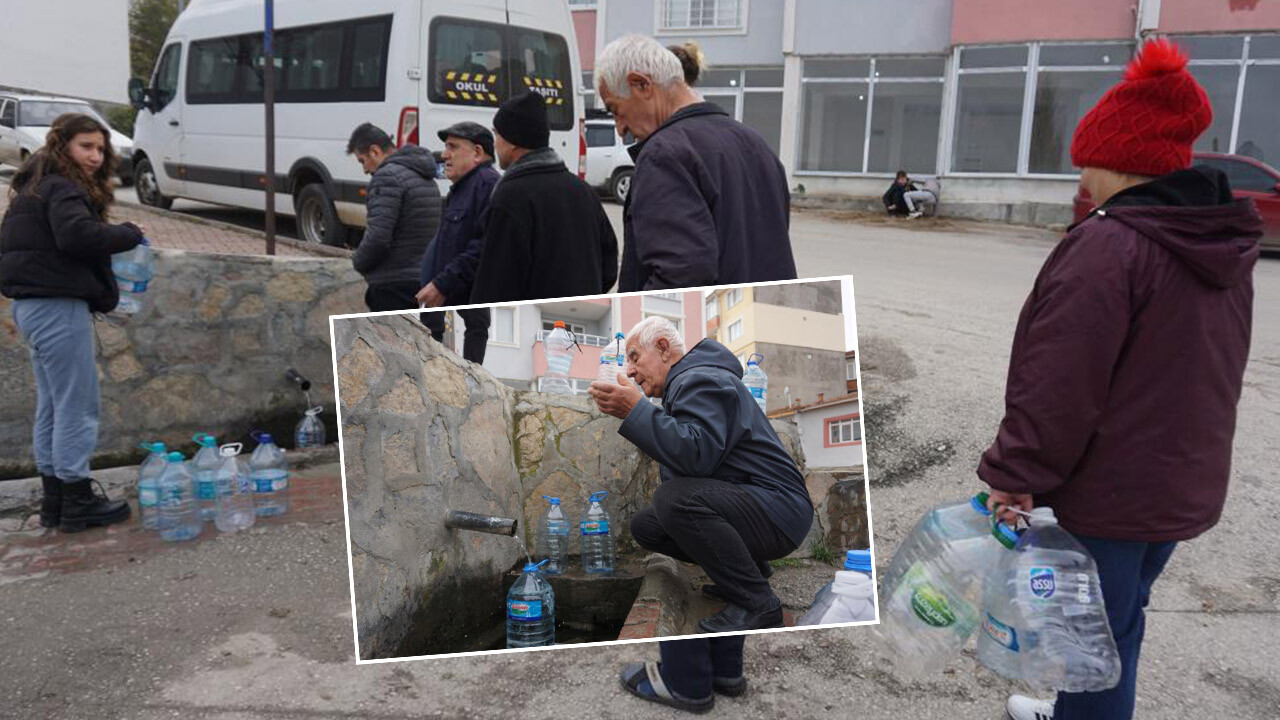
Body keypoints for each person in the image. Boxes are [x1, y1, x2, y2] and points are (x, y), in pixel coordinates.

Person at [977, 40, 1261, 720]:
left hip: (1109, 493)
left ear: (1123, 160)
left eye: (1091, 164)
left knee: (1094, 637)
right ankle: (1075, 711)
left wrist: (1016, 472)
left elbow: (1058, 383)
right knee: (1115, 621)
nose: (1084, 180)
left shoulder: (1111, 245)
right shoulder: (1215, 237)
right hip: (1175, 483)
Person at [588, 317, 812, 713]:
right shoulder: (689, 383)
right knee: (649, 524)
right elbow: (699, 468)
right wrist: (640, 412)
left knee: (674, 500)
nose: (630, 370)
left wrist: (635, 411)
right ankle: (746, 580)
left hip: (779, 511)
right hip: (763, 507)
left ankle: (758, 602)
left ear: (663, 347)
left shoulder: (699, 379)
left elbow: (697, 454)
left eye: (635, 357)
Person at [0, 113, 144, 533]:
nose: (96, 156)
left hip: (31, 307)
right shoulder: (62, 187)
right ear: (62, 145)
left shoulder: (32, 187)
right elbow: (76, 237)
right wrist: (128, 233)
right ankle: (77, 498)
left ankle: (55, 501)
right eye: (86, 146)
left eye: (101, 148)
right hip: (57, 307)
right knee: (78, 406)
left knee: (53, 404)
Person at [595, 34, 797, 291]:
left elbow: (681, 273)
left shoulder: (664, 154)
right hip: (765, 322)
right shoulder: (756, 144)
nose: (620, 128)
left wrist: (640, 330)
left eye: (615, 110)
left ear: (642, 85)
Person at [469, 92, 618, 302]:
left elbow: (494, 282)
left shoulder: (510, 196)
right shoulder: (583, 191)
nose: (495, 144)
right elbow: (609, 267)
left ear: (512, 141)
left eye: (497, 135)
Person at [417, 121, 500, 364]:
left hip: (463, 289)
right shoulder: (461, 187)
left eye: (453, 147)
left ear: (477, 152)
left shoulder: (487, 184)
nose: (444, 155)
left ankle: (473, 373)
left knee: (477, 322)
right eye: (445, 147)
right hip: (445, 290)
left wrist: (442, 284)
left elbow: (482, 246)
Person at [346, 123, 440, 312]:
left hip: (393, 285)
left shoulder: (386, 177)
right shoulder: (425, 176)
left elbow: (378, 238)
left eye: (362, 161)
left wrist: (357, 262)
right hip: (423, 279)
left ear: (375, 151)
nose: (365, 170)